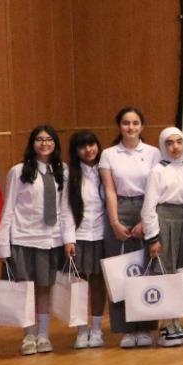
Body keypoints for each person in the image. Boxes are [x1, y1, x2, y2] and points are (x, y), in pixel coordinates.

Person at [0, 125, 74, 355]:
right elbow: (8, 208)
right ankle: (29, 334)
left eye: (49, 139)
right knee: (25, 289)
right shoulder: (19, 171)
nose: (44, 143)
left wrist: (69, 239)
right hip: (24, 239)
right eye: (39, 139)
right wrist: (3, 243)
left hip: (52, 239)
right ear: (32, 144)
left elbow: (65, 209)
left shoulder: (63, 171)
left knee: (45, 288)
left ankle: (43, 334)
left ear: (55, 144)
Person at [99, 107, 160, 347]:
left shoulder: (153, 152)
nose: (131, 127)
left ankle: (145, 327)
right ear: (119, 126)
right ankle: (125, 329)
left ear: (142, 126)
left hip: (147, 207)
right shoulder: (108, 154)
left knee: (146, 268)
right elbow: (110, 190)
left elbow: (156, 188)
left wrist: (146, 220)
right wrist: (115, 222)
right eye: (126, 123)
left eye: (135, 123)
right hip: (119, 208)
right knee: (121, 270)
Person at [140, 127, 183, 347]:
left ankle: (178, 320)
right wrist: (153, 237)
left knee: (182, 272)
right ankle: (167, 323)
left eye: (179, 142)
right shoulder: (157, 171)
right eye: (169, 143)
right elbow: (148, 207)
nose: (175, 147)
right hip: (165, 220)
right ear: (162, 146)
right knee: (165, 271)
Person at [65, 130, 109, 349]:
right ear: (75, 151)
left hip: (102, 234)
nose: (88, 150)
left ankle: (97, 328)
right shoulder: (69, 174)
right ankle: (82, 330)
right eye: (82, 146)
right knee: (78, 286)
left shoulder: (106, 170)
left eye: (91, 144)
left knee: (99, 283)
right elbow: (65, 209)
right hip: (79, 236)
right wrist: (69, 239)